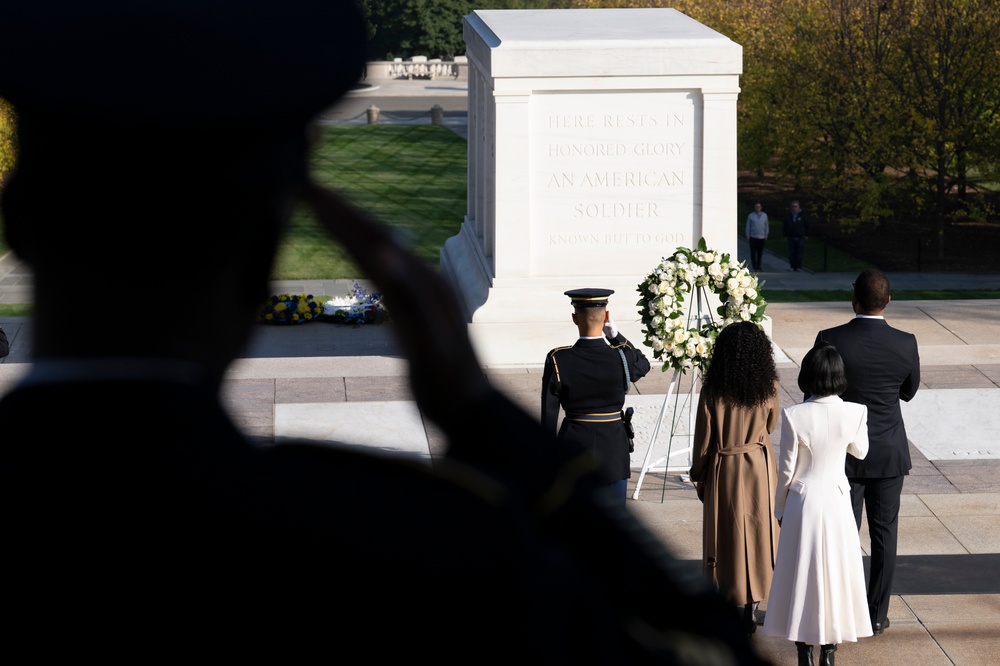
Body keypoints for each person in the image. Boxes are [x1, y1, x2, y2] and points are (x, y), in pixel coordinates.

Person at [0, 2, 769, 662]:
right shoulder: (407, 547)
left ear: (19, 223)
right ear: (264, 251)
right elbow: (702, 646)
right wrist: (485, 422)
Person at [814, 268, 920, 637]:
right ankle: (876, 615)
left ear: (853, 299)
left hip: (843, 453)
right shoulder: (906, 342)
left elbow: (817, 388)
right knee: (884, 535)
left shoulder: (829, 339)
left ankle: (844, 610)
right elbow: (907, 391)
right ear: (888, 301)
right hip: (888, 453)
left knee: (843, 533)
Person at [763, 342, 873, 666]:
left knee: (800, 574)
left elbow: (786, 469)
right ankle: (829, 651)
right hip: (838, 500)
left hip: (803, 500)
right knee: (836, 573)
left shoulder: (795, 415)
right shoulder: (856, 412)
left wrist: (779, 508)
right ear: (840, 376)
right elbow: (861, 451)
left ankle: (803, 651)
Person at [689, 321, 781, 636]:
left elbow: (704, 439)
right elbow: (771, 424)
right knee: (757, 534)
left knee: (725, 534)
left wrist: (698, 473)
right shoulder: (768, 385)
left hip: (724, 465)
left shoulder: (712, 390)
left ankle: (727, 599)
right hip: (758, 465)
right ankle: (752, 607)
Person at [541, 288, 650, 505]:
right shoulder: (621, 356)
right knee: (613, 528)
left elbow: (549, 412)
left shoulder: (557, 358)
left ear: (574, 318)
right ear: (606, 317)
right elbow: (643, 363)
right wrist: (615, 336)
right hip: (614, 453)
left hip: (573, 449)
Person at [783, 200, 809, 271]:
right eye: (793, 206)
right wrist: (785, 235)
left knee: (799, 253)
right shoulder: (789, 215)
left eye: (795, 206)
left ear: (798, 207)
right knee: (791, 253)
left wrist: (806, 234)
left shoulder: (802, 215)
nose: (794, 208)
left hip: (800, 236)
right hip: (791, 237)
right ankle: (792, 266)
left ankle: (798, 266)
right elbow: (785, 226)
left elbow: (806, 225)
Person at [745, 202, 769, 271]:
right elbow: (748, 226)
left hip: (761, 237)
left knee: (760, 252)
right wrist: (747, 235)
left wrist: (766, 234)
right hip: (753, 237)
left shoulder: (764, 215)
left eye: (759, 207)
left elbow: (766, 225)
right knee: (753, 252)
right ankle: (754, 265)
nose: (757, 208)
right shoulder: (751, 216)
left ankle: (759, 265)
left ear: (761, 207)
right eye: (756, 207)